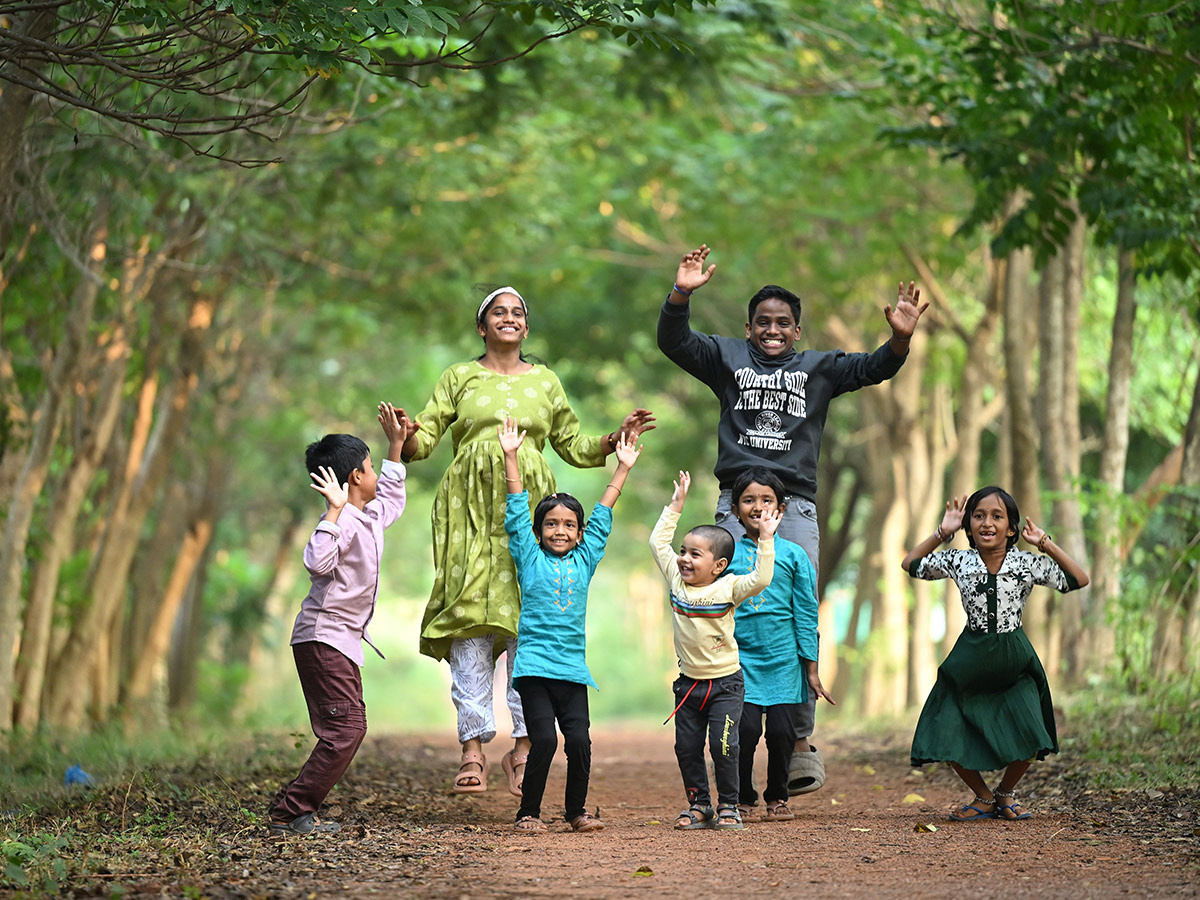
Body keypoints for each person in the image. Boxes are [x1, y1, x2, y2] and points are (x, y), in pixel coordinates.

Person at [657, 243, 928, 794]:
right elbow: (674, 342)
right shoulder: (727, 358)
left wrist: (900, 338)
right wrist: (681, 292)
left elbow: (875, 367)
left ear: (797, 331)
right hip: (733, 505)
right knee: (723, 607)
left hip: (794, 508)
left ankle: (801, 739)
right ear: (749, 328)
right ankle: (723, 717)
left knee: (795, 606)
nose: (772, 330)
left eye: (783, 323)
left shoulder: (820, 368)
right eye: (763, 322)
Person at [402, 286, 655, 796]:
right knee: (469, 621)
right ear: (482, 326)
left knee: (527, 621)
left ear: (526, 326)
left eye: (518, 313)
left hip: (528, 509)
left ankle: (523, 747)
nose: (510, 318)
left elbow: (577, 447)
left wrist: (614, 439)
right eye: (499, 312)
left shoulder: (546, 382)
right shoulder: (458, 377)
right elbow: (422, 442)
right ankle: (472, 747)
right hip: (467, 514)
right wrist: (403, 433)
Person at [268, 402, 415, 836]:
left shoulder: (368, 517)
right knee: (346, 728)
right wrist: (332, 511)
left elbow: (391, 497)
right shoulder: (342, 521)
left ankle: (294, 809)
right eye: (370, 468)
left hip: (341, 640)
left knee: (348, 726)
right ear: (354, 477)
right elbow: (317, 563)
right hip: (323, 637)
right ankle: (289, 812)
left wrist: (395, 447)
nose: (375, 475)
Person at [901, 486, 1089, 822]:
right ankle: (984, 797)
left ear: (1011, 528)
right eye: (978, 516)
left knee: (1032, 729)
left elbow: (1078, 579)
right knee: (945, 728)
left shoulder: (1026, 563)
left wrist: (1045, 543)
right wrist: (942, 532)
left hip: (1014, 655)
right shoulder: (959, 559)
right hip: (969, 657)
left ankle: (1005, 793)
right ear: (968, 527)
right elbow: (911, 563)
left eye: (997, 516)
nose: (987, 523)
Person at [498, 416, 642, 833]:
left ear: (579, 534)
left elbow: (604, 512)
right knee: (544, 740)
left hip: (572, 669)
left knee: (579, 741)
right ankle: (528, 814)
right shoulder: (529, 555)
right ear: (539, 531)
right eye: (551, 524)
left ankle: (577, 812)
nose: (559, 530)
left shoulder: (585, 557)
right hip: (533, 669)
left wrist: (623, 467)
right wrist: (511, 457)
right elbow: (516, 509)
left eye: (568, 525)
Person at [649, 470, 780, 831]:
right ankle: (700, 805)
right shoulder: (676, 580)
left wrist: (766, 540)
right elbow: (658, 544)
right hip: (689, 687)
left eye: (695, 554)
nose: (684, 559)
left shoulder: (729, 588)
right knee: (686, 749)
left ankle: (730, 806)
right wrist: (675, 507)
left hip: (725, 686)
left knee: (724, 747)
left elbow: (761, 579)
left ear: (719, 565)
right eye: (683, 552)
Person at [726, 467, 834, 822]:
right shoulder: (727, 555)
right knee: (745, 730)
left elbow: (806, 613)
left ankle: (778, 797)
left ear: (781, 509)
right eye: (749, 500)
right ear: (736, 510)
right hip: (742, 662)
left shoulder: (794, 555)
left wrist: (811, 668)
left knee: (782, 733)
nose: (758, 506)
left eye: (767, 500)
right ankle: (742, 796)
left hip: (785, 662)